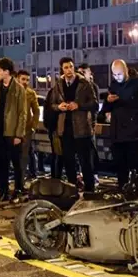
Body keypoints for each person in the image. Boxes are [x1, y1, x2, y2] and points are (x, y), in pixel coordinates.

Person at [99, 59, 138, 189]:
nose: (117, 78)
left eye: (119, 74)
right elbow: (105, 109)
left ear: (126, 71)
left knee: (134, 163)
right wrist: (108, 102)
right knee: (120, 164)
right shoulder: (114, 86)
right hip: (117, 133)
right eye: (115, 75)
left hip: (133, 132)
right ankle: (123, 187)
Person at [50, 57, 98, 193]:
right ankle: (72, 190)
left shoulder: (84, 83)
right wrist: (60, 107)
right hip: (65, 129)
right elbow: (52, 104)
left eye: (71, 67)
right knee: (69, 162)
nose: (69, 70)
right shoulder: (59, 84)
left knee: (85, 162)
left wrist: (79, 105)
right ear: (62, 69)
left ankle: (90, 190)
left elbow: (94, 103)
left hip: (82, 128)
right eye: (66, 67)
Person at [0, 57, 28, 202]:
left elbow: (22, 113)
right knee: (1, 162)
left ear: (7, 71)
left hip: (12, 132)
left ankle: (18, 189)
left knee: (16, 163)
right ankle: (3, 190)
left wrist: (19, 134)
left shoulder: (18, 89)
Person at [16, 70, 40, 180]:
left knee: (23, 155)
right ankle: (28, 174)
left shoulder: (31, 93)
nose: (25, 82)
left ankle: (20, 180)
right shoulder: (12, 92)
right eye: (23, 79)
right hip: (13, 128)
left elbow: (36, 111)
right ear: (17, 79)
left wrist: (33, 126)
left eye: (27, 80)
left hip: (26, 128)